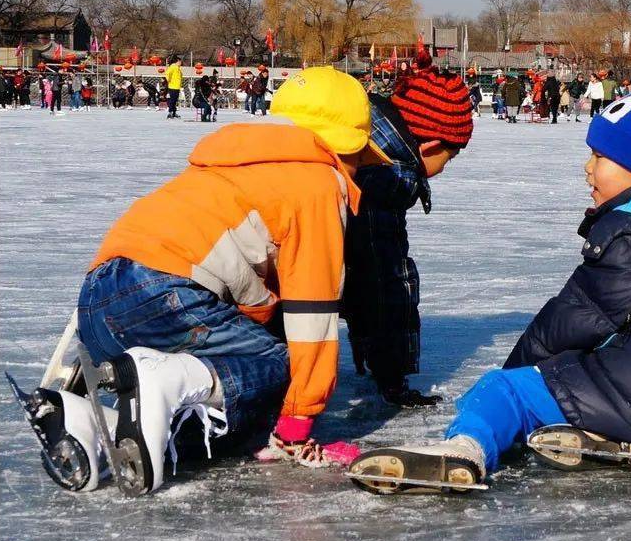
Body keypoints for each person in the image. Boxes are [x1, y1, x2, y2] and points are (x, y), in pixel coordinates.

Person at [348, 58, 631, 491]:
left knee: (505, 391)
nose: (589, 168)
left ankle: (464, 449)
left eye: (601, 156)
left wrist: (514, 378)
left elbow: (570, 320)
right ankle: (611, 436)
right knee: (611, 353)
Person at [46, 67, 390, 496]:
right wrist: (297, 423)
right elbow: (312, 310)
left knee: (195, 395)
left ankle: (94, 423)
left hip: (97, 297)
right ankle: (166, 378)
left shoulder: (230, 160)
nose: (358, 171)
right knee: (276, 377)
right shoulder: (318, 181)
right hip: (169, 292)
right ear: (342, 145)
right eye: (359, 158)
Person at [344, 50, 473, 409]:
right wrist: (393, 374)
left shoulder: (359, 141)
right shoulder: (390, 176)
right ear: (429, 143)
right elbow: (385, 284)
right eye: (449, 157)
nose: (444, 169)